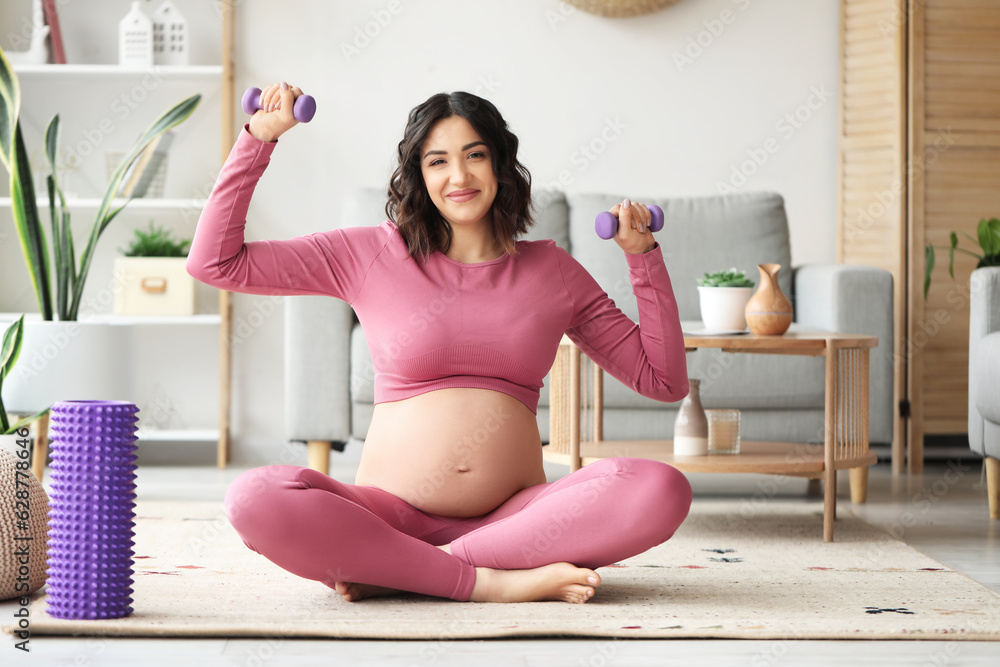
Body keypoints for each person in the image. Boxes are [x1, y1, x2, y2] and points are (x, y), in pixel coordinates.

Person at [187, 83, 693, 604]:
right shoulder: (369, 253)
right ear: (417, 176)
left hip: (516, 520)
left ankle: (414, 570)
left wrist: (644, 256)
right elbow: (215, 263)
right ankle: (487, 583)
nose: (459, 177)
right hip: (385, 515)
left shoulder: (552, 271)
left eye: (475, 155)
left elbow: (663, 380)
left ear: (500, 165)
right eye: (438, 161)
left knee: (661, 488)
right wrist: (259, 138)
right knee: (254, 497)